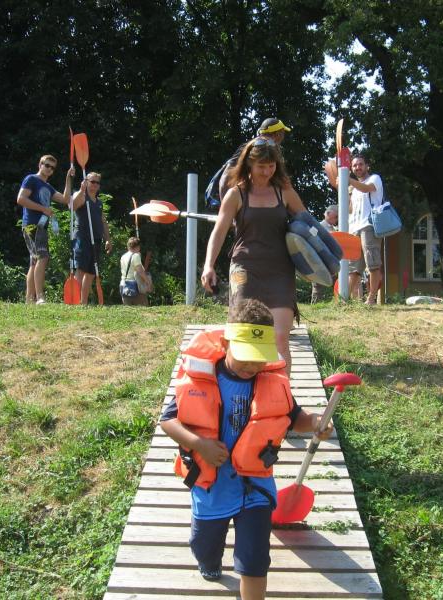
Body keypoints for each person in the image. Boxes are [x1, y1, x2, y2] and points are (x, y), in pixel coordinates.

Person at [159, 298, 333, 600]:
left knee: (254, 560)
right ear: (227, 343)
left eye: (259, 358)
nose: (252, 366)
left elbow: (295, 418)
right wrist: (199, 444)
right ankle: (209, 561)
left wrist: (315, 422)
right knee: (204, 545)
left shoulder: (273, 382)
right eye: (245, 357)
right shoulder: (200, 377)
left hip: (256, 485)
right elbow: (168, 421)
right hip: (212, 486)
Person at [201, 137, 307, 374]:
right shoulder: (235, 194)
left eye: (271, 166)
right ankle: (238, 388)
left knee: (280, 338)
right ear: (249, 164)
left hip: (280, 271)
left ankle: (282, 393)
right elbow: (219, 232)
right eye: (261, 166)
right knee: (243, 334)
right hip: (245, 269)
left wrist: (322, 257)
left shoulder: (284, 192)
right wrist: (209, 265)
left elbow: (308, 226)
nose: (267, 172)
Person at [16, 155, 74, 304]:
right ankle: (40, 296)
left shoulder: (48, 187)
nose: (49, 169)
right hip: (32, 225)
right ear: (40, 164)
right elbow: (21, 199)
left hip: (41, 226)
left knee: (35, 261)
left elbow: (65, 199)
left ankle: (29, 299)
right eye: (47, 165)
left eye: (52, 168)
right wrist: (43, 209)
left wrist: (68, 178)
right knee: (43, 257)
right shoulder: (31, 179)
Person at [206, 117, 292, 208]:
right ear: (277, 134)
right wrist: (225, 207)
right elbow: (226, 176)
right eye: (283, 133)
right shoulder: (253, 148)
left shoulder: (270, 150)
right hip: (238, 205)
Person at [347, 154, 384, 304]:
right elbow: (350, 210)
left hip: (369, 226)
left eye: (360, 164)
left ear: (367, 166)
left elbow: (366, 189)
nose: (358, 167)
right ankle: (345, 299)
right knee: (354, 267)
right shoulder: (354, 188)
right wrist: (343, 189)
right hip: (355, 228)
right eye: (354, 165)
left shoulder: (374, 179)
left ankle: (371, 299)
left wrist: (348, 180)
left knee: (372, 264)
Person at [71, 172, 112, 305]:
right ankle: (74, 302)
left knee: (91, 273)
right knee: (81, 269)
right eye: (92, 181)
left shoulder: (99, 203)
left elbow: (103, 222)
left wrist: (108, 239)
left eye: (97, 182)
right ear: (86, 182)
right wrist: (81, 190)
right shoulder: (82, 197)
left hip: (96, 240)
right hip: (82, 238)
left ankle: (83, 302)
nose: (95, 184)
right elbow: (72, 206)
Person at [310, 204, 338, 303]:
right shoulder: (317, 226)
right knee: (318, 285)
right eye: (336, 216)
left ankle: (339, 303)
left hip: (330, 261)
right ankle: (315, 306)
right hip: (319, 260)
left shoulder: (335, 229)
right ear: (328, 214)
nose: (337, 219)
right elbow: (310, 239)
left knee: (337, 283)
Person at [119, 237, 147, 306]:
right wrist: (147, 281)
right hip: (134, 285)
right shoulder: (136, 256)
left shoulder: (123, 256)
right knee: (142, 308)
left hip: (123, 285)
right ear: (138, 247)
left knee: (128, 309)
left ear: (128, 246)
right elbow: (140, 271)